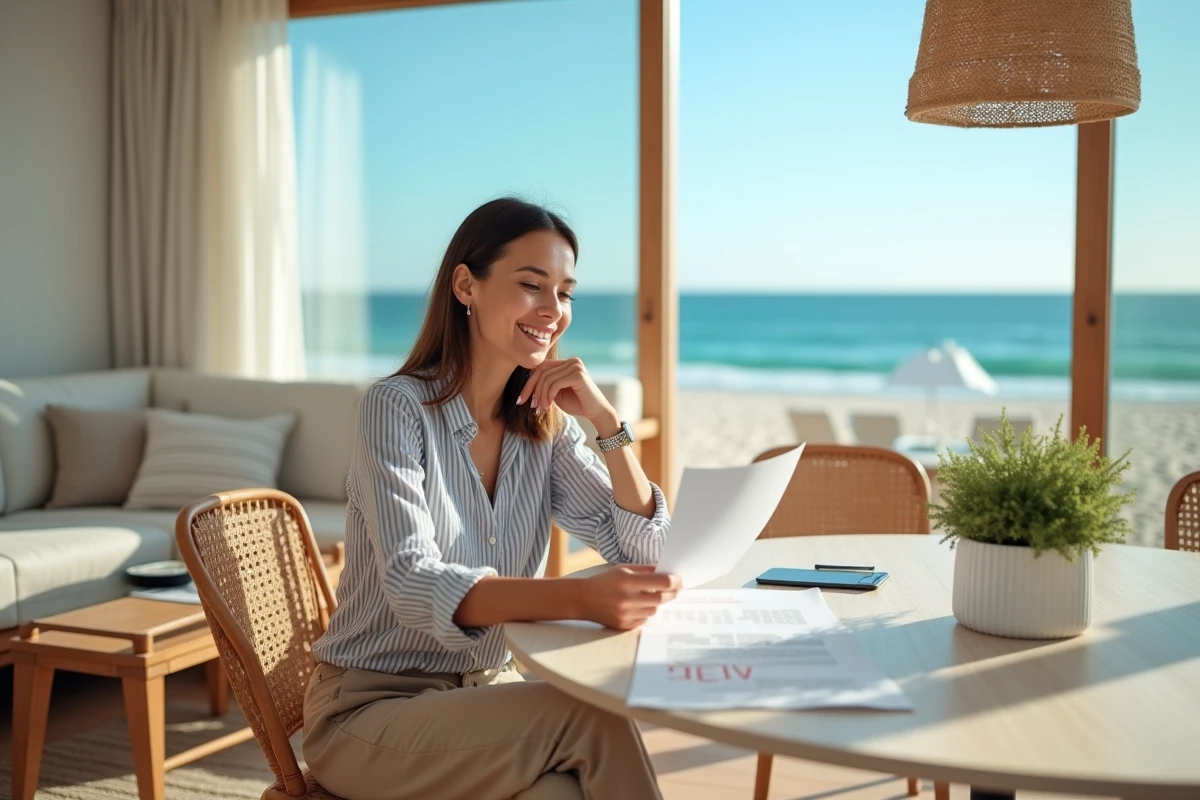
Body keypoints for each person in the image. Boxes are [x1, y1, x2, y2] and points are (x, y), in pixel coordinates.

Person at [303, 197, 679, 800]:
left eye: (565, 293)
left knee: (565, 792)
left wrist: (608, 423)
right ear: (465, 285)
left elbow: (646, 545)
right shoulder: (395, 408)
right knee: (594, 716)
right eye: (532, 285)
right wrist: (578, 596)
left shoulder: (542, 427)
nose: (553, 311)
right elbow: (412, 580)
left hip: (483, 697)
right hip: (371, 711)